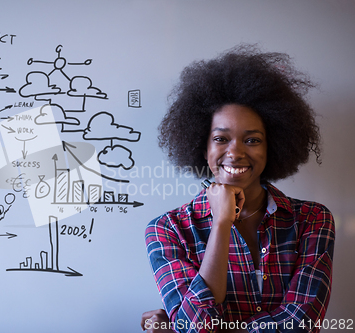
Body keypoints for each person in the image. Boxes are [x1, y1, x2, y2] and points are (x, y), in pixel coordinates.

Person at [142, 44, 335, 333]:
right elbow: (197, 327)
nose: (235, 153)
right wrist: (221, 223)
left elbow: (300, 325)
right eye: (221, 139)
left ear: (273, 146)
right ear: (202, 145)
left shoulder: (312, 220)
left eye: (252, 140)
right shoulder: (167, 230)